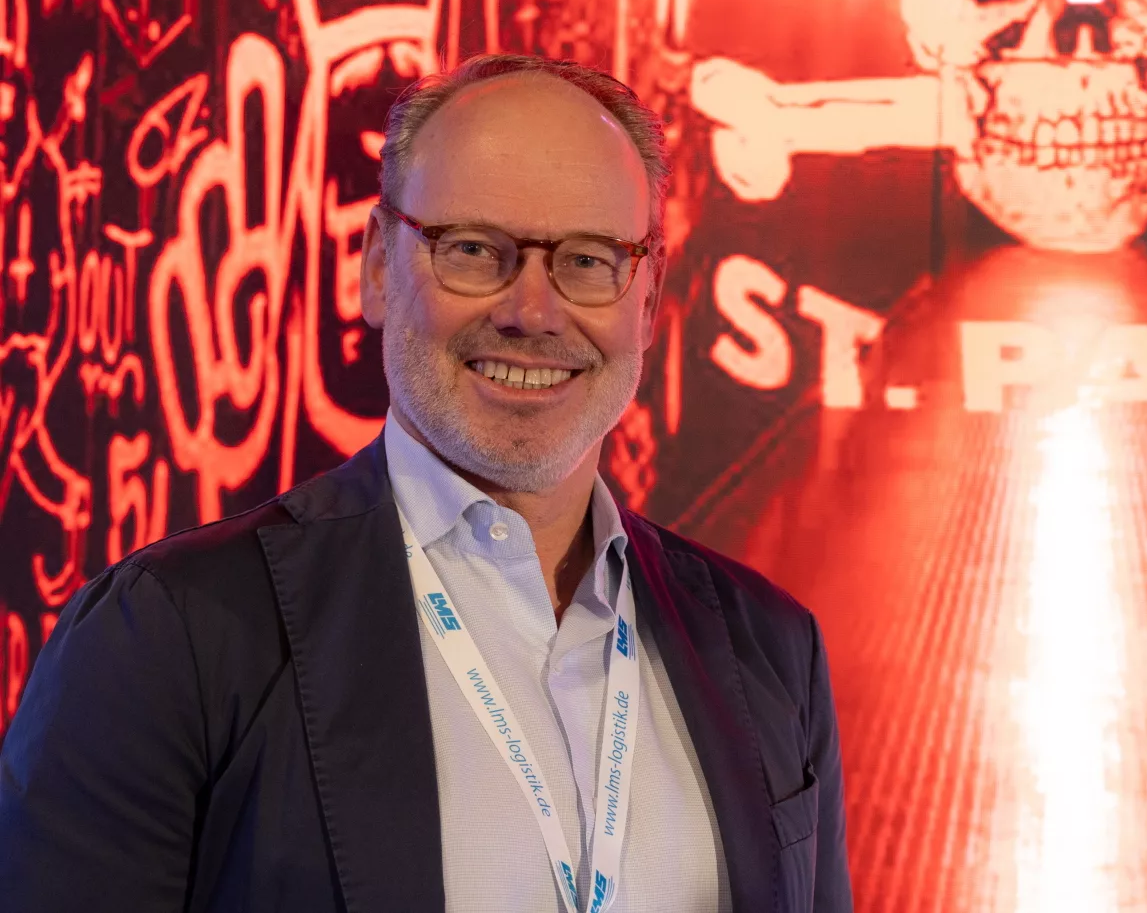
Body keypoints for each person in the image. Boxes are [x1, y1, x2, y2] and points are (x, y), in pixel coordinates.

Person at [0, 55, 852, 913]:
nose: (532, 311)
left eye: (589, 260)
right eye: (474, 250)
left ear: (649, 297)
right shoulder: (169, 636)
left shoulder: (774, 652)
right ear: (378, 265)